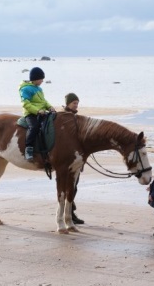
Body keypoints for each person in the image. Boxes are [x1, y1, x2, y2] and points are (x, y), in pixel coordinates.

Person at [19, 67, 56, 161]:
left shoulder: (39, 89)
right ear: (35, 78)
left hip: (42, 112)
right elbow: (25, 104)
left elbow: (43, 101)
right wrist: (37, 111)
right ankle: (28, 149)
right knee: (34, 127)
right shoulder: (26, 89)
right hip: (31, 113)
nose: (42, 81)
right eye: (41, 79)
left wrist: (49, 107)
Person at [62, 92, 84, 224]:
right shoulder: (64, 117)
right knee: (69, 186)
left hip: (75, 157)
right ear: (68, 104)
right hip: (67, 158)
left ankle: (70, 211)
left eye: (77, 103)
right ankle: (68, 212)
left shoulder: (75, 117)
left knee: (74, 186)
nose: (76, 106)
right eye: (74, 103)